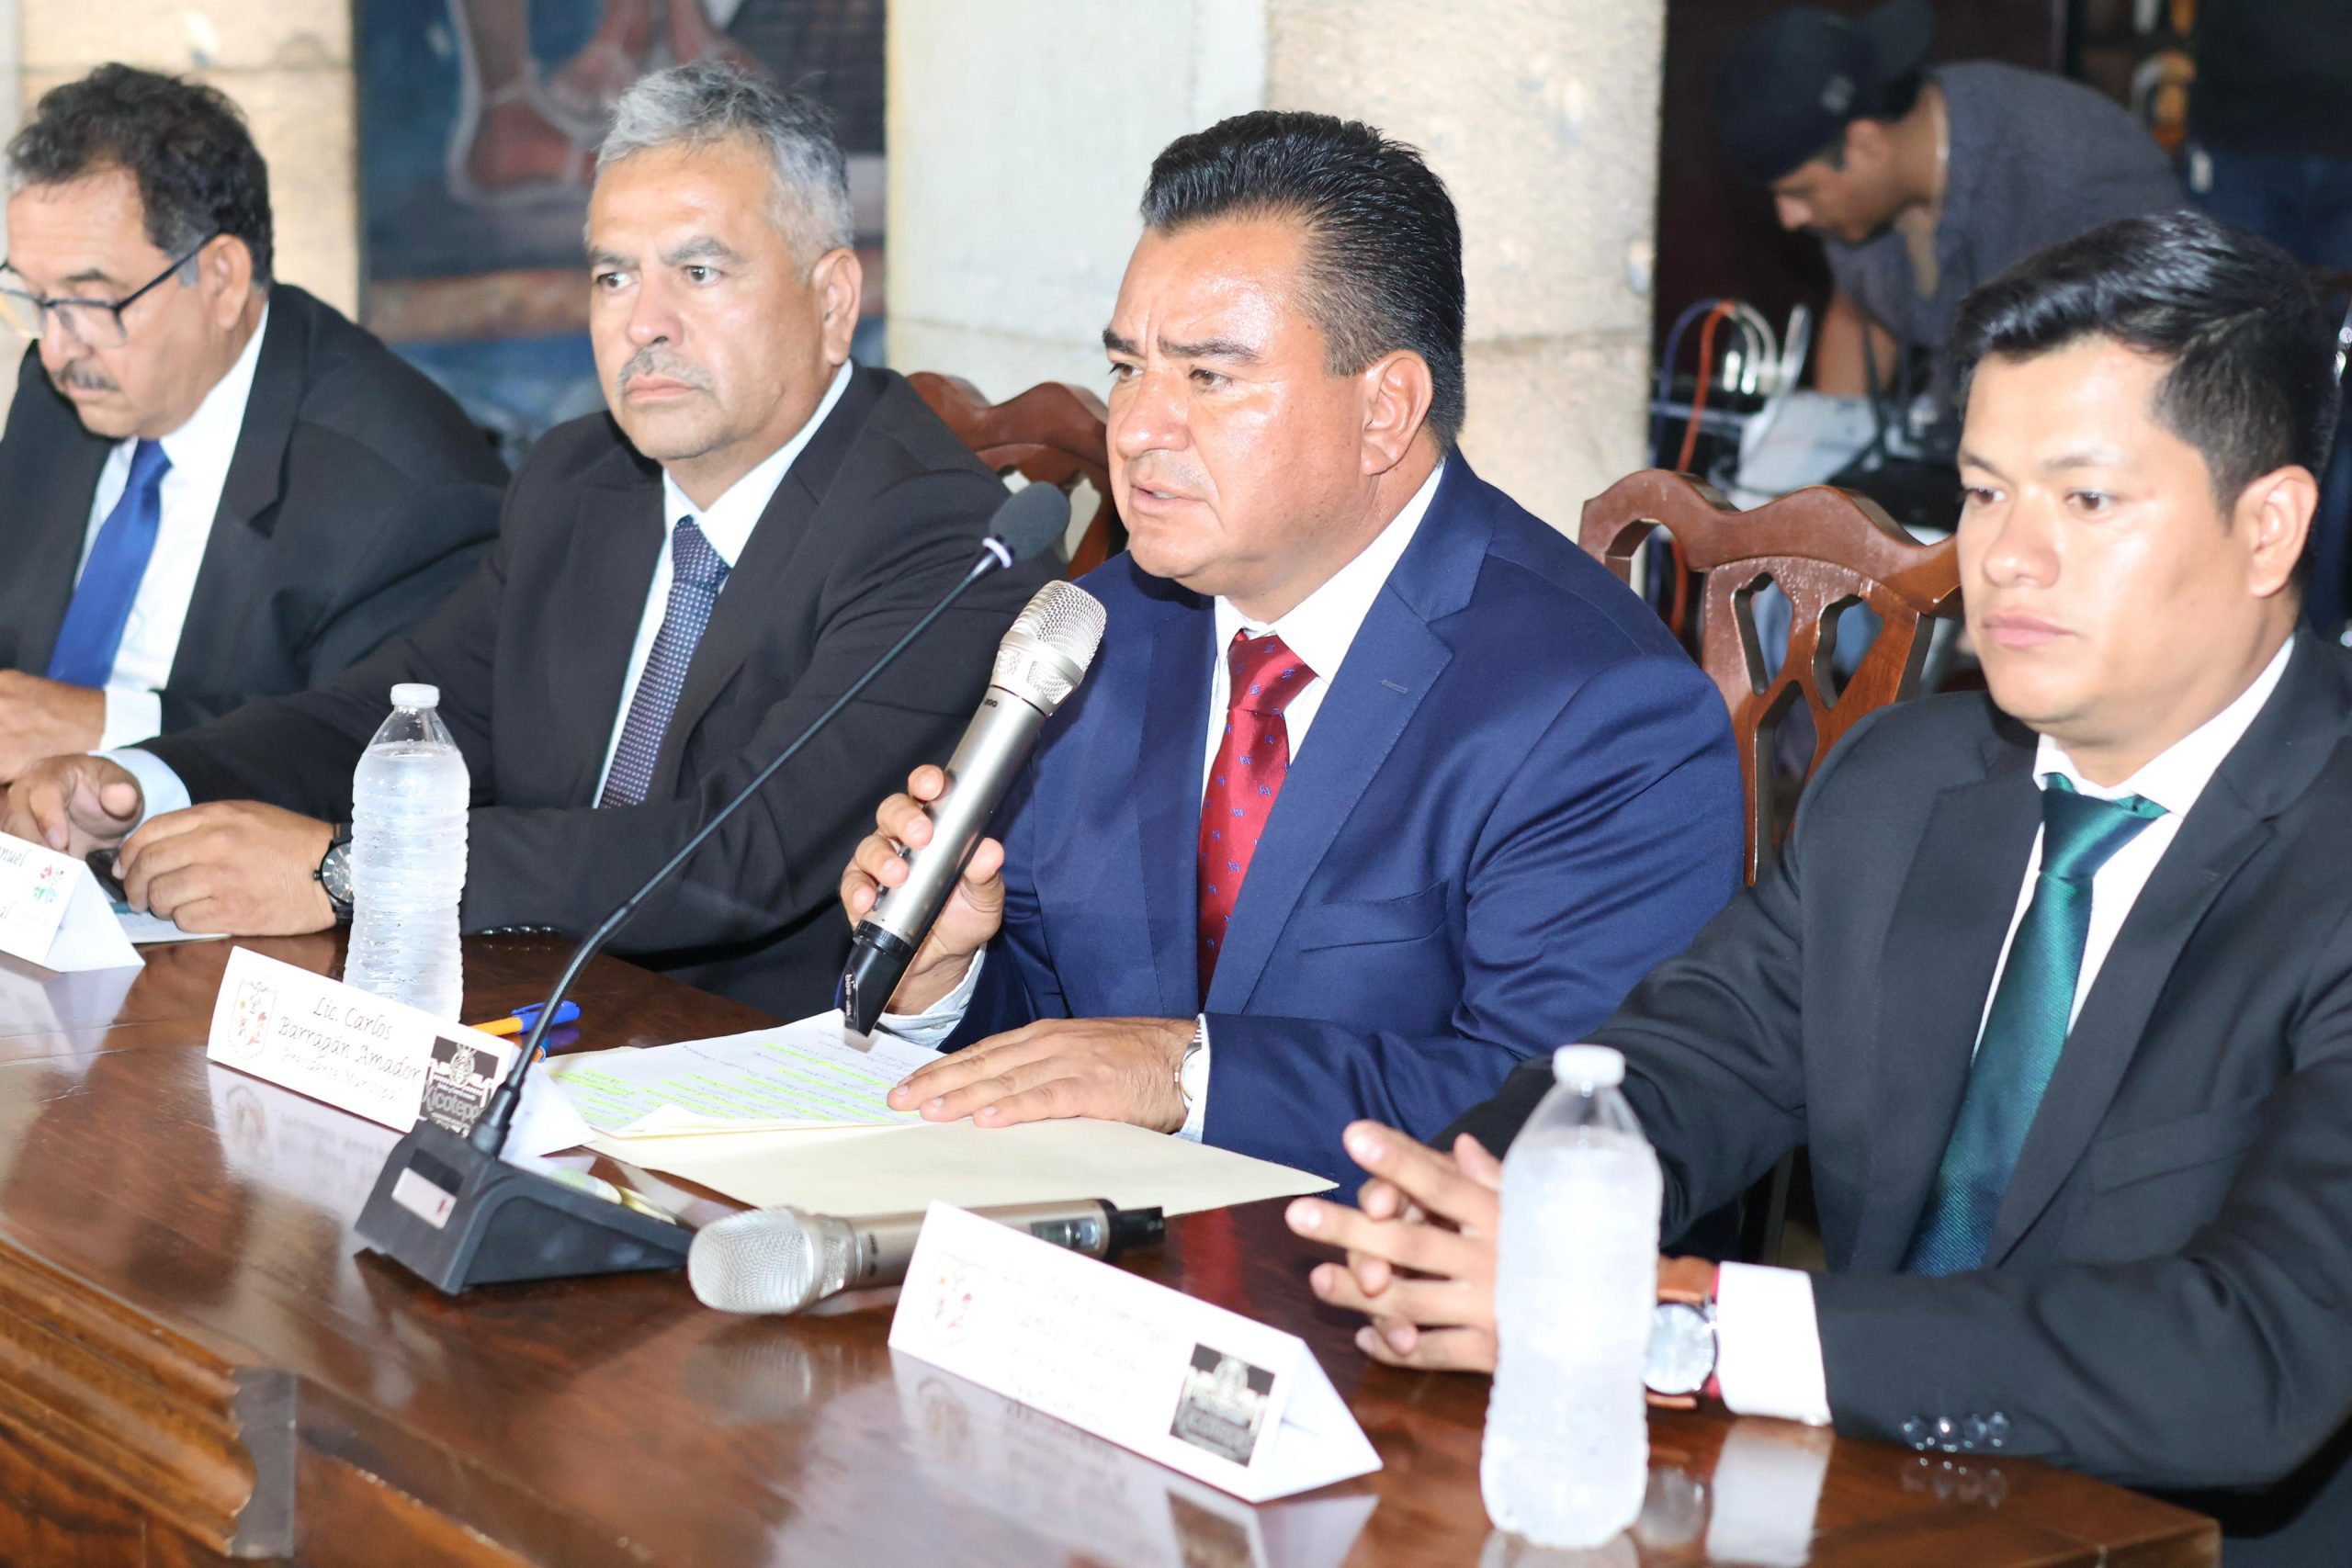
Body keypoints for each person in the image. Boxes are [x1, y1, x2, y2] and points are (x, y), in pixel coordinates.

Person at [1290, 210, 2352, 1565]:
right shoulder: (1901, 785)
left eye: (2086, 501)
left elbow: (2256, 1352)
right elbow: (1676, 1065)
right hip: (1848, 1507)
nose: (2006, 557)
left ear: (2268, 529)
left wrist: (1673, 1321)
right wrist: (1468, 1212)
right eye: (1983, 492)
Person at [2, 62, 1047, 1018]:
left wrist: (355, 870)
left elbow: (741, 851)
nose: (644, 323)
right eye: (613, 276)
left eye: (698, 272)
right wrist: (143, 780)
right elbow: (396, 709)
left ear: (831, 301)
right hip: (527, 1008)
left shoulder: (939, 535)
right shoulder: (580, 479)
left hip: (753, 1057)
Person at [839, 111, 1742, 1188]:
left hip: (1368, 1274)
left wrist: (1188, 1073)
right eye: (1127, 367)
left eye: (1207, 377)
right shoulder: (1097, 633)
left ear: (1384, 410)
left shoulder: (1599, 707)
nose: (1136, 428)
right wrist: (942, 978)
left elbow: (1567, 1115)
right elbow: (1061, 1039)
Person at [0, 65, 505, 782]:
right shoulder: (57, 392)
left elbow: (372, 753)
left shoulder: (405, 493)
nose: (55, 349)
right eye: (33, 298)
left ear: (222, 280)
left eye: (91, 302)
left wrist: (107, 724)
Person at [1717, 0, 2182, 457]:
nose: (1790, 218)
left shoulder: (2078, 180)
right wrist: (1827, 471)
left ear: (1866, 145)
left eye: (1801, 193)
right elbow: (1860, 314)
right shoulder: (1866, 197)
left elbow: (2134, 381)